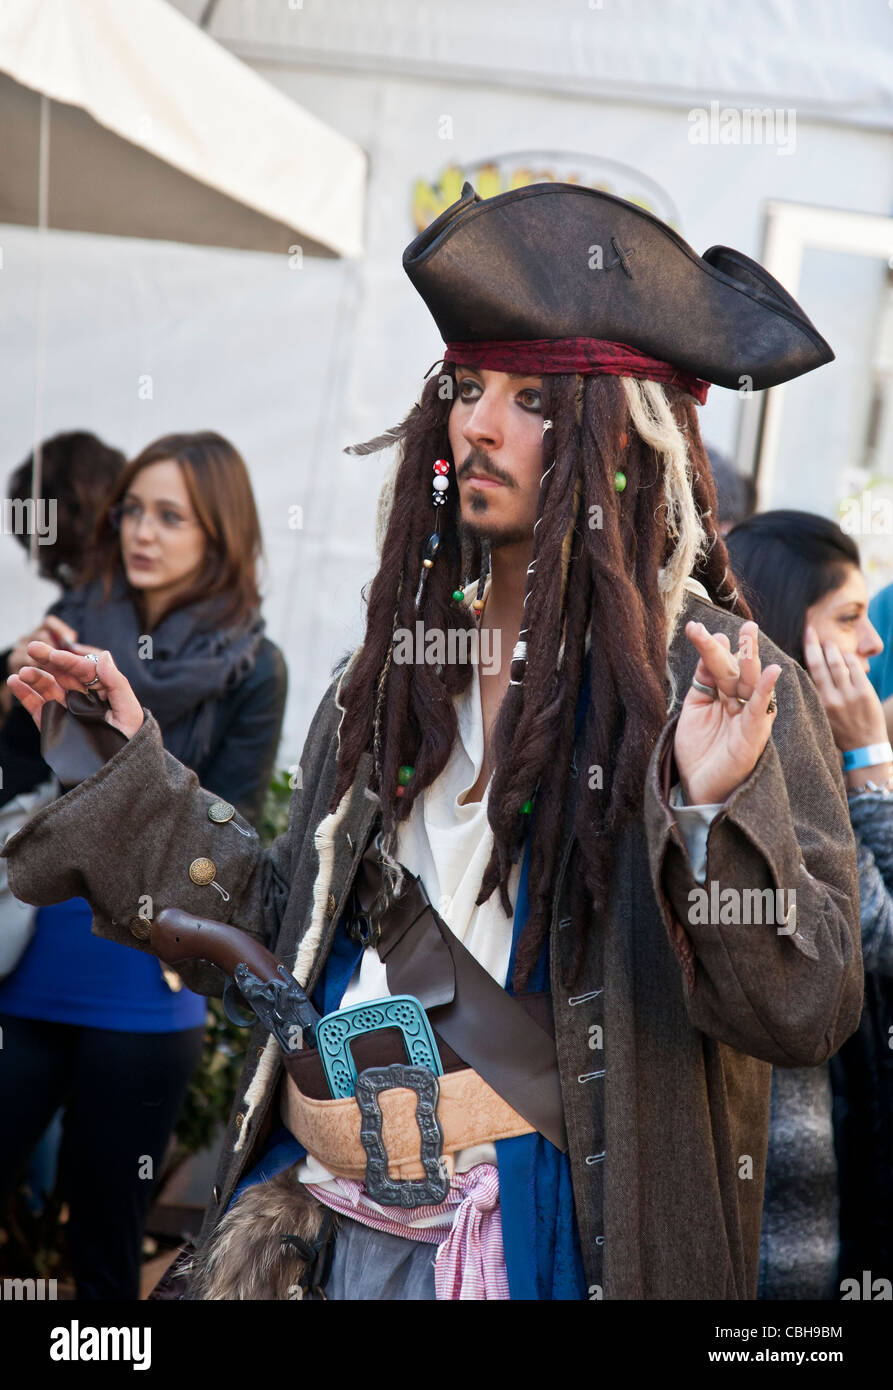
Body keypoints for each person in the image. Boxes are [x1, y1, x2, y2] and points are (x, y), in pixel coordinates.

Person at [2, 182, 862, 1301]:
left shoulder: (720, 680)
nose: (477, 425)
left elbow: (804, 1009)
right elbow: (289, 938)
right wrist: (132, 773)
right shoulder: (391, 674)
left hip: (540, 1244)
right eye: (464, 389)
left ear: (624, 436)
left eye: (533, 400)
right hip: (312, 1224)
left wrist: (709, 818)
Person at [0, 430, 287, 1300]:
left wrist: (127, 754)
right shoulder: (69, 637)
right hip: (33, 957)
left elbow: (222, 831)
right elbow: (16, 794)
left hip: (146, 975)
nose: (142, 532)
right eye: (132, 510)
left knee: (105, 1243)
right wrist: (10, 692)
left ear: (219, 533)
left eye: (171, 515)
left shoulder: (252, 669)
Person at [725, 510, 893, 1296]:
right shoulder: (760, 772)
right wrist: (868, 765)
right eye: (849, 619)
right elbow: (879, 935)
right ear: (793, 630)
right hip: (771, 1175)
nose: (872, 645)